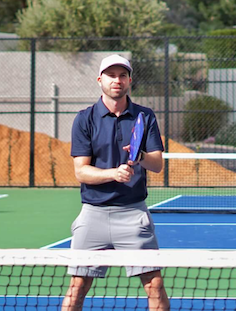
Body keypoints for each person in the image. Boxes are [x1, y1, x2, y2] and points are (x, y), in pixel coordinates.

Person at [61, 54, 170, 311]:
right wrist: (113, 174)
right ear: (100, 80)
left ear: (129, 80)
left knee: (154, 285)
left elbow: (156, 164)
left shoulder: (145, 116)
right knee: (77, 287)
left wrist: (139, 154)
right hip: (93, 214)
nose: (117, 80)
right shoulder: (84, 119)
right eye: (111, 75)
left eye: (122, 75)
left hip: (133, 214)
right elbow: (81, 172)